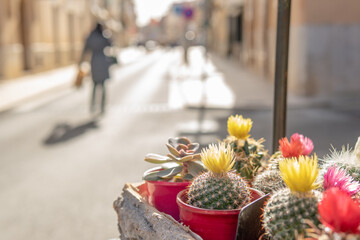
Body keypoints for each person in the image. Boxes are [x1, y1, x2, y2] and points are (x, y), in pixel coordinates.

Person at [79, 22, 114, 114]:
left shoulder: (90, 37)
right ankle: (102, 107)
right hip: (103, 61)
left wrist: (81, 61)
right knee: (103, 86)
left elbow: (85, 50)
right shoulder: (104, 36)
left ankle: (93, 106)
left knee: (94, 86)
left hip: (94, 62)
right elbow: (111, 44)